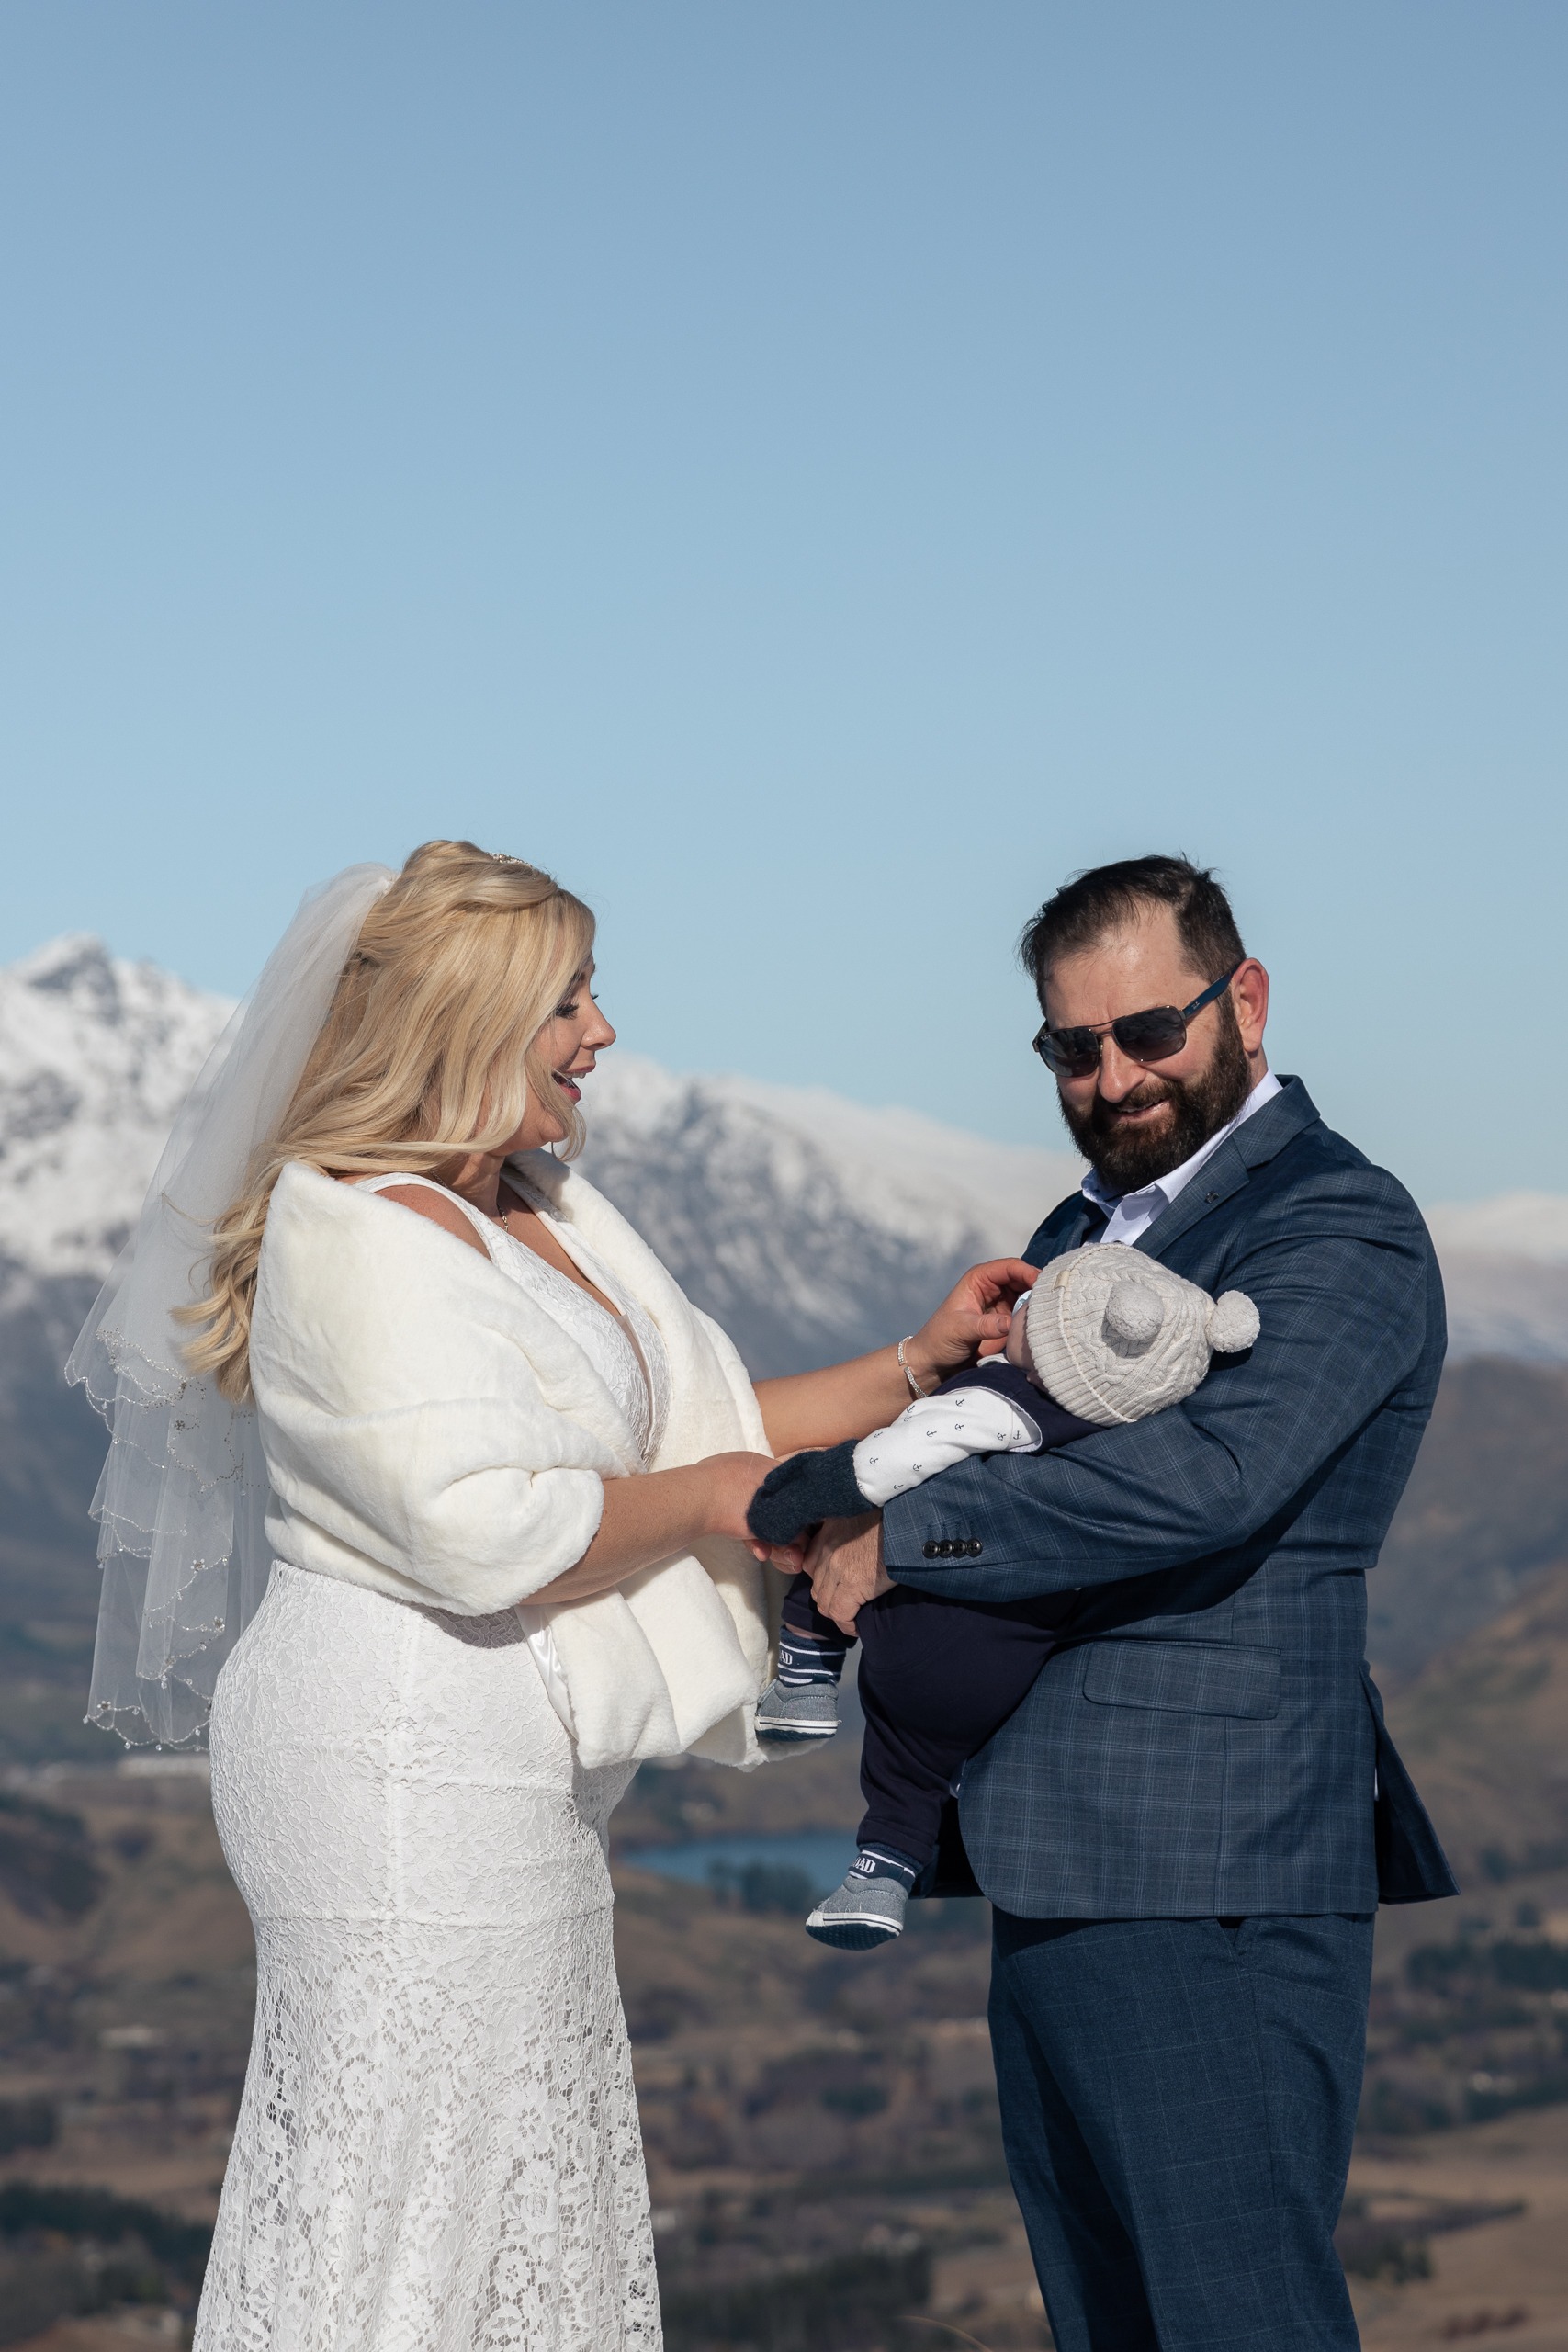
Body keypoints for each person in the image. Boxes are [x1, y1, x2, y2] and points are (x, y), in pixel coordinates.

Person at [68, 840, 1032, 2352]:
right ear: (469, 1018)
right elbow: (480, 1524)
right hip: (394, 1764)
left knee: (515, 2173)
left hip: (503, 1767)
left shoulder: (541, 1202)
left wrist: (915, 1365)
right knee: (408, 2191)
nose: (602, 1030)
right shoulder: (352, 1229)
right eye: (568, 999)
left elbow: (695, 1433)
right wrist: (714, 1503)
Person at [796, 854, 1457, 2352]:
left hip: (1207, 1862)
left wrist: (905, 1543)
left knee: (1235, 2320)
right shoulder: (1085, 1229)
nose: (1112, 1077)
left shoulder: (1334, 1222)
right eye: (1071, 1048)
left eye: (1148, 1031)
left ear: (1245, 1002)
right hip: (1053, 1861)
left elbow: (1206, 1483)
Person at [747, 1252, 1260, 1949]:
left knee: (824, 1562)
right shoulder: (1113, 1430)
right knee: (911, 1771)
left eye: (1032, 1311)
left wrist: (795, 1496)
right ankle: (880, 1876)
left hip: (922, 1613)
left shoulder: (1000, 1405)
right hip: (1008, 1656)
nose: (1017, 1311)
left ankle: (804, 1685)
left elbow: (890, 1458)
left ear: (1048, 1350)